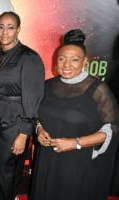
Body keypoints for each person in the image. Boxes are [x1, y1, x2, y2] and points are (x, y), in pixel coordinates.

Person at [30, 29, 119, 200]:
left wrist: (74, 143)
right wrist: (39, 129)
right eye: (62, 59)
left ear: (85, 61)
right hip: (47, 162)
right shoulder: (48, 85)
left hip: (78, 164)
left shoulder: (97, 89)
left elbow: (111, 129)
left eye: (74, 59)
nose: (66, 65)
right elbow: (37, 116)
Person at [0, 12, 45, 200]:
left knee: (4, 167)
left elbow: (33, 97)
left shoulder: (29, 57)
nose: (5, 32)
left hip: (16, 118)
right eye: (1, 27)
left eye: (10, 27)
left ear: (18, 30)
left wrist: (24, 133)